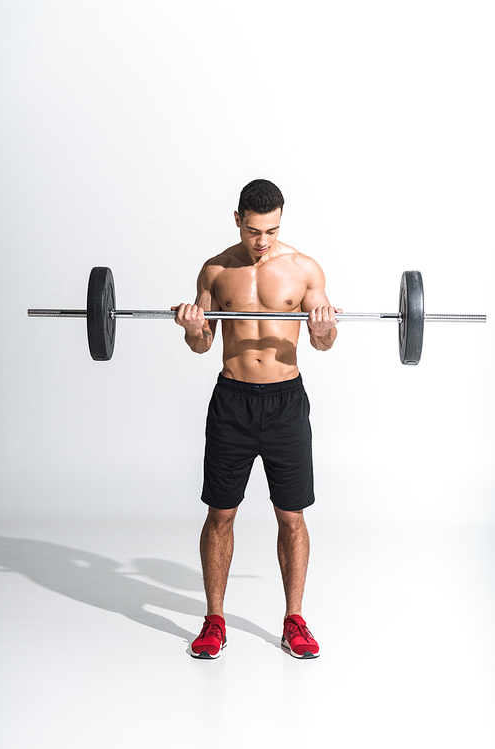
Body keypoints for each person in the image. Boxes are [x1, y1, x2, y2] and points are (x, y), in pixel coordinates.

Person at [172, 179, 340, 659]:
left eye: (271, 230)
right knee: (221, 513)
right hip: (232, 402)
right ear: (237, 219)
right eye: (253, 230)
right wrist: (192, 327)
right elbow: (202, 345)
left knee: (291, 516)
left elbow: (323, 343)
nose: (262, 241)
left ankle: (294, 620)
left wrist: (324, 329)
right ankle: (214, 620)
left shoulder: (304, 269)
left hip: (286, 402)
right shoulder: (216, 271)